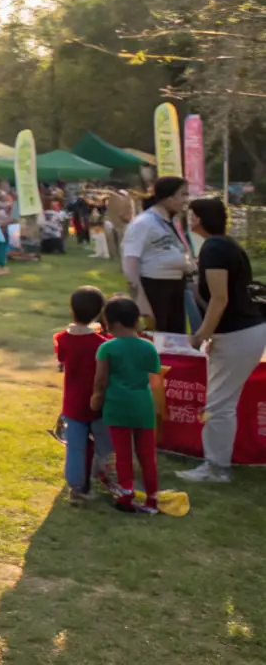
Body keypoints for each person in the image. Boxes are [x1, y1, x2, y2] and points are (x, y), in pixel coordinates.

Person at [178, 197, 266, 484]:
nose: (189, 219)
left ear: (199, 219)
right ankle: (218, 465)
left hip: (237, 334)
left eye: (191, 215)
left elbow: (220, 298)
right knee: (223, 402)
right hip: (242, 332)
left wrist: (201, 335)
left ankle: (216, 469)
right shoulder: (225, 244)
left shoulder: (214, 248)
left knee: (218, 405)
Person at [92, 296, 161, 513]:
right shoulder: (149, 347)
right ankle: (152, 498)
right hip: (143, 405)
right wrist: (159, 408)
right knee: (147, 455)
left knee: (123, 455)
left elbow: (101, 380)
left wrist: (96, 398)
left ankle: (126, 494)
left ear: (112, 323)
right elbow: (155, 380)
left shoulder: (106, 348)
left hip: (117, 405)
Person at [54, 286, 112, 503]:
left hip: (73, 403)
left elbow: (61, 358)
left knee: (75, 448)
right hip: (99, 403)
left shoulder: (62, 339)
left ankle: (76, 488)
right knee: (106, 445)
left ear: (72, 310)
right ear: (99, 312)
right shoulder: (103, 344)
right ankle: (108, 479)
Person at [122, 176, 193, 334]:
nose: (186, 200)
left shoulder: (171, 221)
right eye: (183, 194)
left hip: (176, 285)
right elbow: (130, 264)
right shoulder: (144, 223)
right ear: (167, 197)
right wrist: (142, 303)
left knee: (175, 338)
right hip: (155, 288)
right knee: (157, 337)